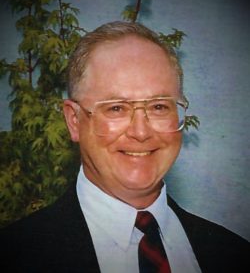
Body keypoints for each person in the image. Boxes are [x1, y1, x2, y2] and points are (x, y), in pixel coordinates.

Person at [0, 21, 249, 273]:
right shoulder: (14, 255)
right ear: (74, 121)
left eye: (159, 106)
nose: (141, 132)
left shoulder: (233, 253)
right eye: (116, 108)